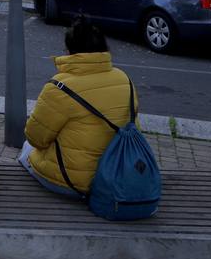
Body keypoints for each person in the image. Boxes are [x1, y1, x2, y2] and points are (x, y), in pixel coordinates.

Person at [20, 18, 133, 196]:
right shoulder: (124, 79)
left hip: (72, 182)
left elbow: (36, 138)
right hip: (118, 175)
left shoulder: (59, 86)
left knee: (26, 147)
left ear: (70, 50)